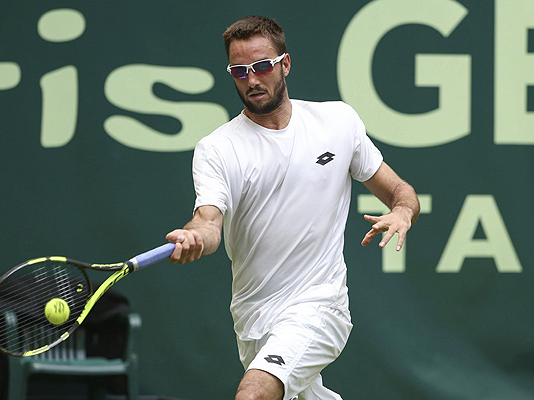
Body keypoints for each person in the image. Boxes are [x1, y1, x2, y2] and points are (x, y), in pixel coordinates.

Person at [165, 16, 420, 400]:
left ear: (285, 64)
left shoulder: (337, 121)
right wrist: (194, 237)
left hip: (320, 305)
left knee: (252, 395)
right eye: (240, 72)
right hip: (253, 319)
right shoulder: (217, 149)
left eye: (262, 66)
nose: (252, 80)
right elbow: (208, 222)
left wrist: (402, 211)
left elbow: (400, 191)